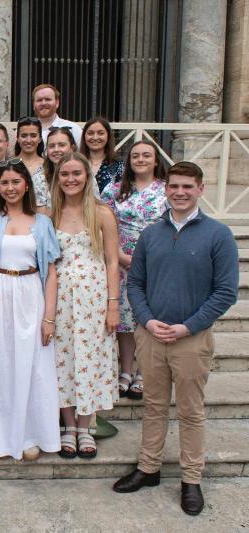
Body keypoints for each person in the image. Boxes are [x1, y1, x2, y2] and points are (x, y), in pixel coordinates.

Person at [113, 162, 239, 516]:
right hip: (151, 335)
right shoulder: (151, 234)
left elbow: (226, 291)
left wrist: (188, 326)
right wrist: (147, 320)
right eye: (174, 187)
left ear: (201, 189)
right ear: (165, 190)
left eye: (187, 186)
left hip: (191, 338)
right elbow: (135, 282)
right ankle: (148, 468)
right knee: (153, 406)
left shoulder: (218, 235)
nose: (180, 193)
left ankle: (191, 479)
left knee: (190, 411)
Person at [0, 159, 61, 461]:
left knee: (32, 364)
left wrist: (49, 317)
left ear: (26, 185)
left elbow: (52, 273)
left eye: (15, 182)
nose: (10, 188)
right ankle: (1, 434)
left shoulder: (42, 223)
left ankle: (30, 434)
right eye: (4, 183)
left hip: (30, 293)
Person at [50, 153, 120, 460]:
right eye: (64, 174)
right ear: (58, 178)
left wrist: (113, 304)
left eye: (76, 173)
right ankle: (67, 425)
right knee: (61, 360)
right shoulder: (49, 214)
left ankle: (84, 425)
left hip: (93, 299)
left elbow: (112, 261)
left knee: (90, 359)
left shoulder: (102, 214)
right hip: (59, 298)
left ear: (86, 176)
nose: (70, 179)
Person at [101, 141, 168, 402]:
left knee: (148, 317)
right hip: (120, 259)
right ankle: (126, 371)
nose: (140, 159)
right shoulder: (115, 189)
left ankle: (144, 372)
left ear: (155, 160)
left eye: (146, 155)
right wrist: (117, 254)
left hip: (156, 261)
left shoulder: (166, 190)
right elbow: (102, 222)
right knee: (125, 319)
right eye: (135, 156)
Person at [37, 126, 77, 210]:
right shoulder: (39, 176)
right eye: (51, 146)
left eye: (62, 145)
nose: (56, 150)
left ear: (72, 148)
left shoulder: (84, 173)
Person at [81, 117, 124, 193]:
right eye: (90, 133)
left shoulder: (118, 165)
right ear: (84, 137)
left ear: (108, 137)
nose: (95, 137)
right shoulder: (77, 162)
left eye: (100, 133)